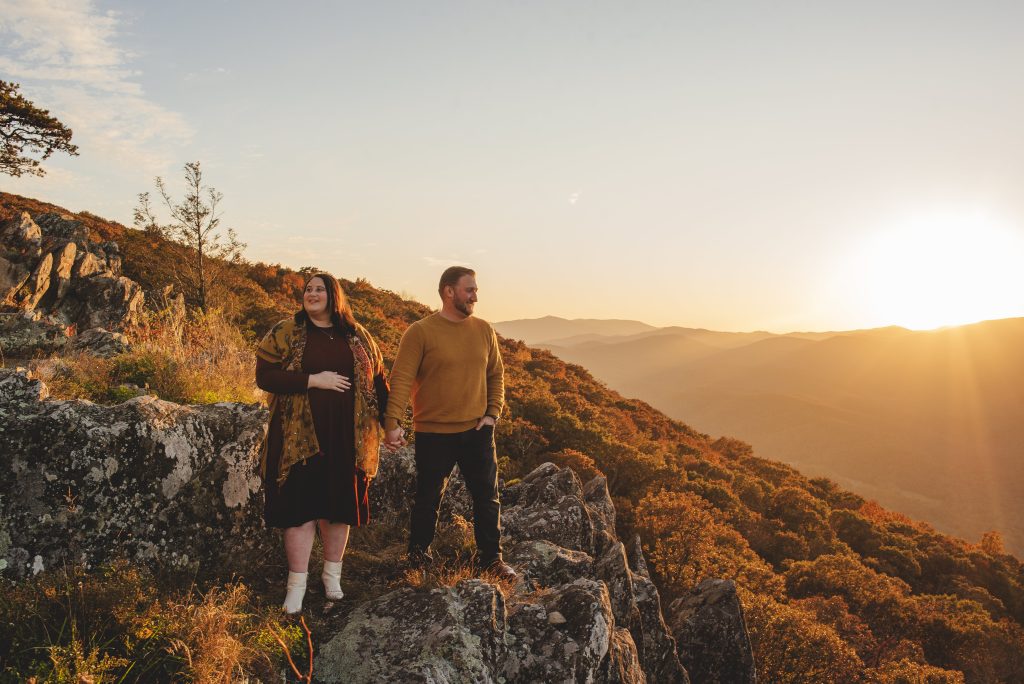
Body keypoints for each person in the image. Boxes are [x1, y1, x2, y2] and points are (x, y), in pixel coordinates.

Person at [255, 272, 390, 613]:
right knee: (299, 511)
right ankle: (296, 586)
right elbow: (265, 377)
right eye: (307, 290)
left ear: (334, 296)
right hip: (297, 436)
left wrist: (392, 426)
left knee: (337, 508)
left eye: (319, 289)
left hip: (347, 436)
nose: (311, 294)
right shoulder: (287, 331)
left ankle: (332, 575)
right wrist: (314, 380)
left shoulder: (358, 336)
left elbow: (379, 383)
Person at [383, 266, 516, 580]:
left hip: (477, 430)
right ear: (448, 291)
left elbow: (496, 374)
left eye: (475, 290)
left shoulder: (484, 330)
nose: (475, 296)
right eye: (469, 290)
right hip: (434, 431)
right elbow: (401, 379)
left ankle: (491, 561)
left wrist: (492, 413)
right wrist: (392, 421)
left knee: (487, 497)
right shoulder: (420, 332)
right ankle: (418, 558)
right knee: (428, 498)